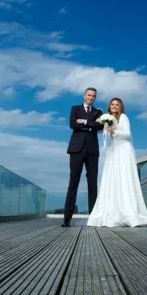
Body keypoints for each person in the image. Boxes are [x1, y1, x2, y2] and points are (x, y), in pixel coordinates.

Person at [87, 98, 147, 227]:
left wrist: (113, 131)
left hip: (123, 149)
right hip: (113, 150)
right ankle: (113, 210)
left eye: (117, 105)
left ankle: (128, 210)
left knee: (124, 176)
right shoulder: (108, 119)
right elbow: (104, 135)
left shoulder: (123, 117)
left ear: (120, 107)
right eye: (112, 104)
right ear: (109, 106)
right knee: (113, 178)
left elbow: (127, 134)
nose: (114, 106)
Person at [62, 87, 103, 227]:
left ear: (95, 98)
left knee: (93, 184)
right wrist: (91, 126)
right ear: (84, 96)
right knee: (73, 183)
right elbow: (72, 124)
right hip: (76, 150)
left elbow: (99, 126)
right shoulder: (75, 108)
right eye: (89, 95)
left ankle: (93, 217)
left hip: (92, 151)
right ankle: (67, 218)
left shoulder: (98, 112)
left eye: (93, 96)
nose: (91, 97)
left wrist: (85, 122)